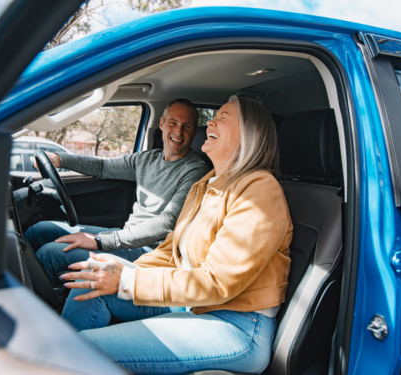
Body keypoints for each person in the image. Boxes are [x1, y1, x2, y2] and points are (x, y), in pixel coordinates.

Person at [60, 95, 293, 375]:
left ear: (248, 134)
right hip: (192, 304)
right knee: (90, 279)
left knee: (83, 346)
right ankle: (52, 358)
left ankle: (56, 362)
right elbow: (171, 252)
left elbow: (218, 282)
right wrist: (116, 269)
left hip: (236, 325)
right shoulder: (207, 185)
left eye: (223, 116)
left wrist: (127, 279)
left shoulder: (260, 191)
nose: (211, 121)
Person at [25, 98, 209, 286]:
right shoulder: (147, 159)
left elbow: (166, 223)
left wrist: (101, 241)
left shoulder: (195, 171)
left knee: (50, 254)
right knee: (38, 231)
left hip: (151, 252)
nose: (178, 132)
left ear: (194, 132)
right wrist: (59, 159)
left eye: (187, 126)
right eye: (173, 123)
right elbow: (103, 166)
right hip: (126, 236)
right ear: (161, 124)